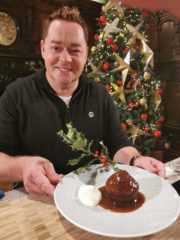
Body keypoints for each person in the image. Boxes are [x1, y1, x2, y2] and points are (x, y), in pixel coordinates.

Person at [0, 6, 165, 196]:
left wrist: (136, 160)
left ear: (86, 53)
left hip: (88, 196)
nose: (65, 58)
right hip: (34, 199)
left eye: (75, 50)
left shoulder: (99, 95)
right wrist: (23, 167)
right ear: (43, 48)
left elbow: (118, 145)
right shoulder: (16, 94)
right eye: (56, 48)